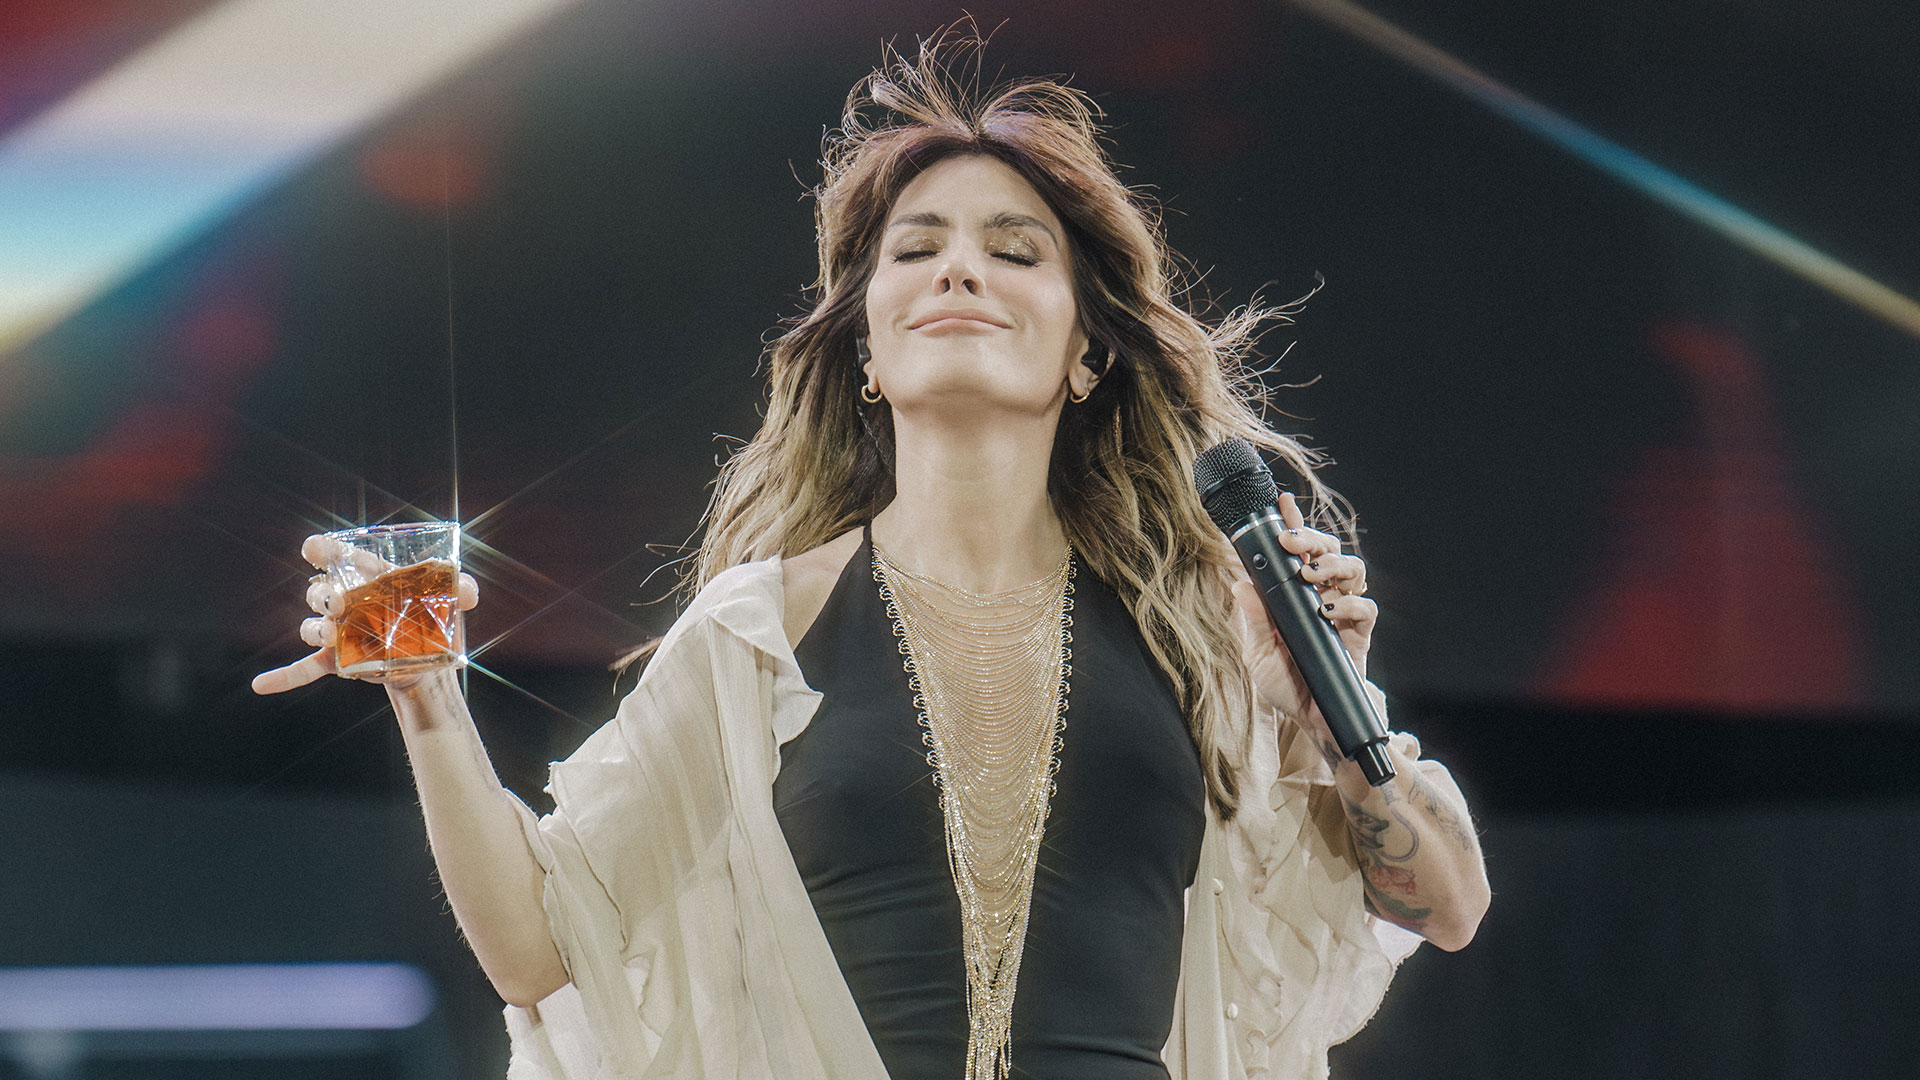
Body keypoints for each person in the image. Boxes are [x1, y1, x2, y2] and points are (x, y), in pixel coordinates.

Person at [255, 33, 1488, 1080]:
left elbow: (1446, 906)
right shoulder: (760, 631)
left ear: (1086, 354)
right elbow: (536, 946)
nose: (961, 266)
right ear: (866, 351)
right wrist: (428, 701)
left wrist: (1327, 723)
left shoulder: (1205, 623)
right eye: (917, 246)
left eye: (1015, 250)